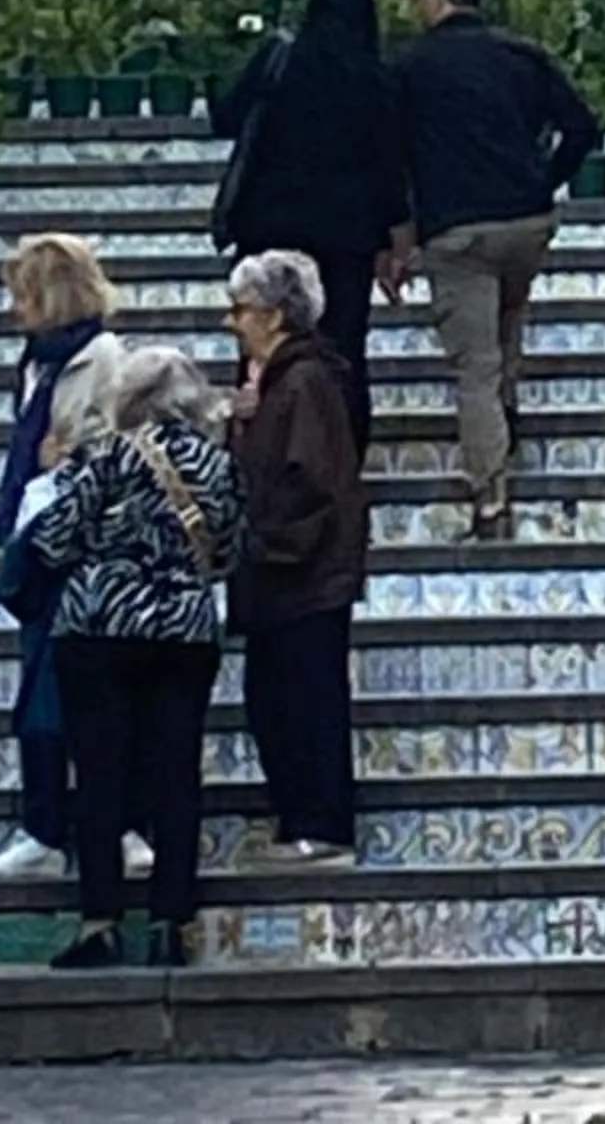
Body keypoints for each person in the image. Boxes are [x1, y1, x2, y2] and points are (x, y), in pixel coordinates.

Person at [22, 347, 244, 974]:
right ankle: (173, 923)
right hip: (184, 633)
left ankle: (101, 922)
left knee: (99, 777)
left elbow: (52, 538)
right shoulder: (218, 463)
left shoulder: (106, 456)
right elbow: (228, 550)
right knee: (176, 774)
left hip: (100, 628)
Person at [382, 0, 602, 540]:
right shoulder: (521, 57)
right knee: (509, 316)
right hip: (526, 220)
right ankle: (508, 410)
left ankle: (490, 494)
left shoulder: (411, 68)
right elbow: (583, 126)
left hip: (457, 229)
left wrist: (398, 236)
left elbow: (392, 158)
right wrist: (544, 179)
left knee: (474, 364)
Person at [0, 235, 133, 885]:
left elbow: (115, 439)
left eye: (23, 294)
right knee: (41, 694)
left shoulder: (100, 357)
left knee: (87, 692)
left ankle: (113, 823)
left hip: (83, 542)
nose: (15, 309)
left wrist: (67, 459)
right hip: (38, 536)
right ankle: (45, 824)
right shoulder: (37, 361)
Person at [211, 0, 400, 459]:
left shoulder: (281, 61)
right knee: (342, 351)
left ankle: (258, 449)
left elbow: (224, 116)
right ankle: (339, 458)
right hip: (347, 235)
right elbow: (389, 163)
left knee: (262, 343)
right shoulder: (374, 77)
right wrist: (395, 236)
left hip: (268, 226)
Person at [223, 250, 367, 869]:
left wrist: (268, 541)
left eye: (243, 310)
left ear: (276, 316)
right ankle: (301, 817)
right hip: (288, 571)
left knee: (302, 699)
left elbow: (307, 478)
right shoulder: (283, 380)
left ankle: (319, 820)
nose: (233, 323)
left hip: (299, 573)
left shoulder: (304, 381)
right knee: (277, 698)